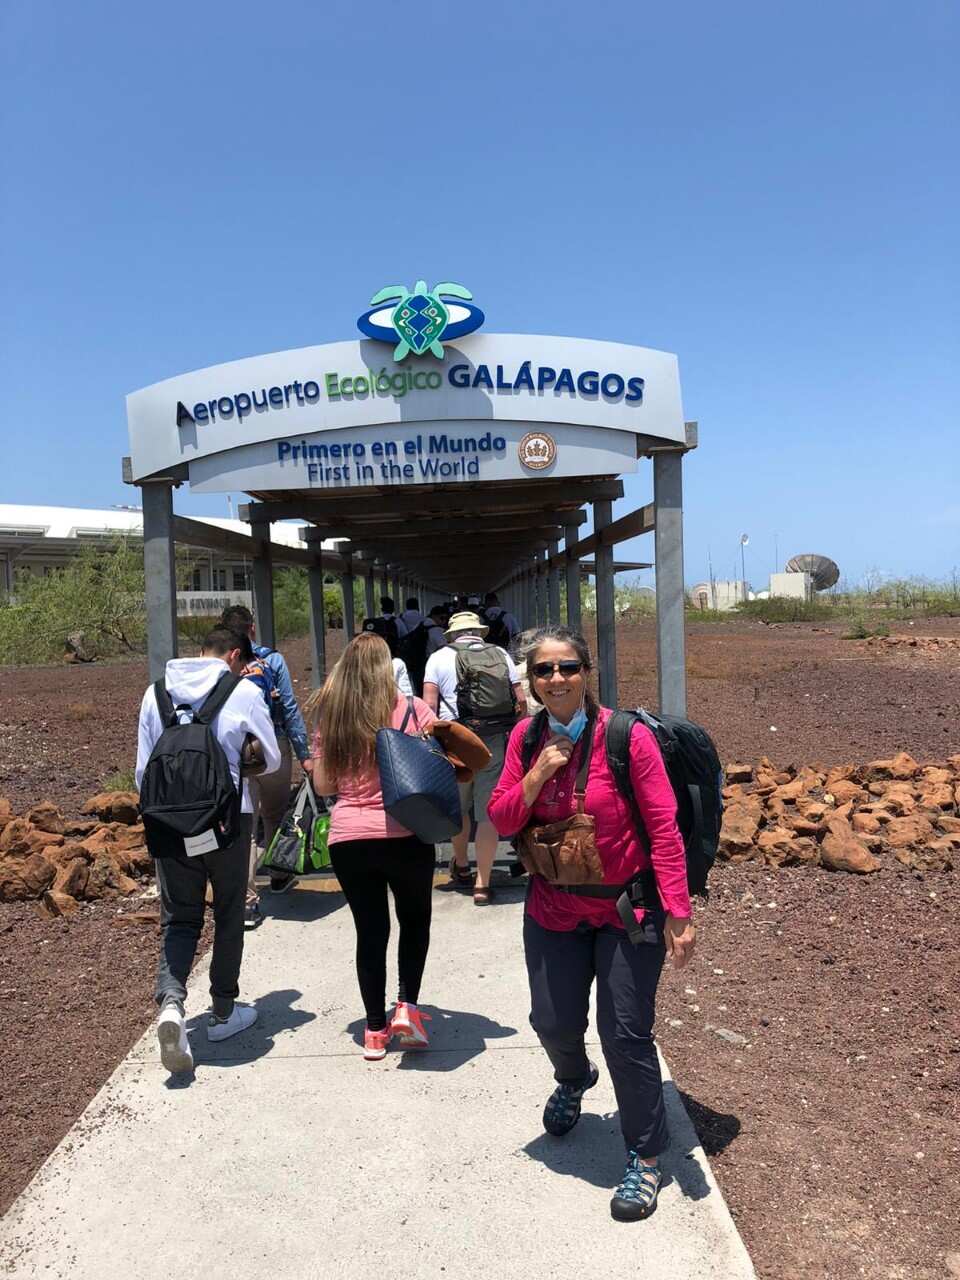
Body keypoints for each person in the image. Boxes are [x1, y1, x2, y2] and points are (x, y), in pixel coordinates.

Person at [488, 625, 695, 1223]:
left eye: (567, 668)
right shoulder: (526, 740)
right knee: (551, 1020)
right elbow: (501, 820)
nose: (556, 679)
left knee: (625, 1032)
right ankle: (574, 1078)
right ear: (529, 681)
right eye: (544, 671)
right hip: (552, 905)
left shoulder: (626, 738)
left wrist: (679, 911)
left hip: (627, 911)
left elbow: (663, 827)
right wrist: (534, 777)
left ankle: (645, 1156)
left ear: (587, 673)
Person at [136, 626, 280, 1074]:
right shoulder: (242, 691)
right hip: (226, 821)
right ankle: (222, 1011)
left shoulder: (154, 694)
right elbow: (271, 759)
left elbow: (144, 771)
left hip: (169, 825)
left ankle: (173, 1004)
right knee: (230, 910)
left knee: (179, 918)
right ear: (234, 655)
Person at [305, 632, 439, 1061]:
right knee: (414, 922)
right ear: (387, 668)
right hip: (406, 834)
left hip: (349, 839)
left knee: (370, 932)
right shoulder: (414, 709)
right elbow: (435, 767)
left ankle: (375, 1031)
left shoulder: (332, 718)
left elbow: (324, 784)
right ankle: (407, 1009)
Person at [423, 610, 525, 904]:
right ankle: (483, 883)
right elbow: (519, 700)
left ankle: (462, 867)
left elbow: (429, 705)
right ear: (479, 632)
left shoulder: (438, 658)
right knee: (487, 812)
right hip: (492, 742)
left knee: (459, 808)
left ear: (452, 633)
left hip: (455, 742)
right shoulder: (501, 655)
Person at [220, 605, 310, 902]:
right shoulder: (272, 660)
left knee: (245, 820)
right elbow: (289, 707)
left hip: (234, 751)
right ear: (252, 629)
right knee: (274, 814)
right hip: (273, 746)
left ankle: (245, 896)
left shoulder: (219, 664)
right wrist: (304, 752)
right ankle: (279, 874)